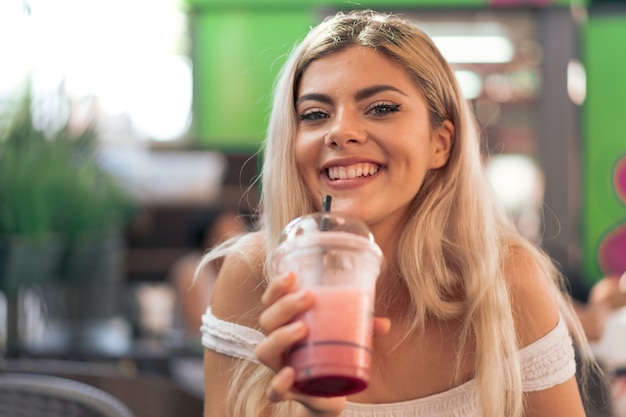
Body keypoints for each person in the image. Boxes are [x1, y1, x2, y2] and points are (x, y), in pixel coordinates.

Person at [198, 10, 597, 417]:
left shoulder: (505, 284)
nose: (340, 131)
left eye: (381, 108)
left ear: (440, 144)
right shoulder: (253, 278)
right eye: (315, 115)